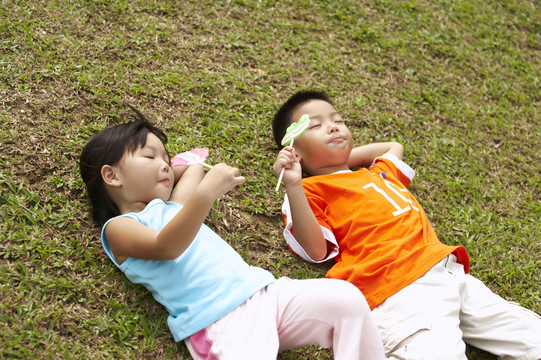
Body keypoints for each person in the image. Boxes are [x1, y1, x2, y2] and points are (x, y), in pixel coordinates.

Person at [79, 106, 385, 360]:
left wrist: (176, 167)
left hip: (265, 293)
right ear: (112, 175)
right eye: (149, 157)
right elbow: (166, 246)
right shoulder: (119, 228)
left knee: (345, 299)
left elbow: (195, 164)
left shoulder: (174, 206)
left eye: (165, 158)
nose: (164, 166)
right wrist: (207, 194)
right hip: (220, 322)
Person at [272, 90, 541, 360]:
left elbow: (392, 147)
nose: (333, 126)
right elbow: (317, 250)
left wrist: (341, 160)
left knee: (533, 337)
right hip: (398, 287)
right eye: (316, 126)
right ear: (293, 150)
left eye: (338, 120)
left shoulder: (379, 173)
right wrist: (295, 181)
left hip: (450, 274)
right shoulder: (310, 190)